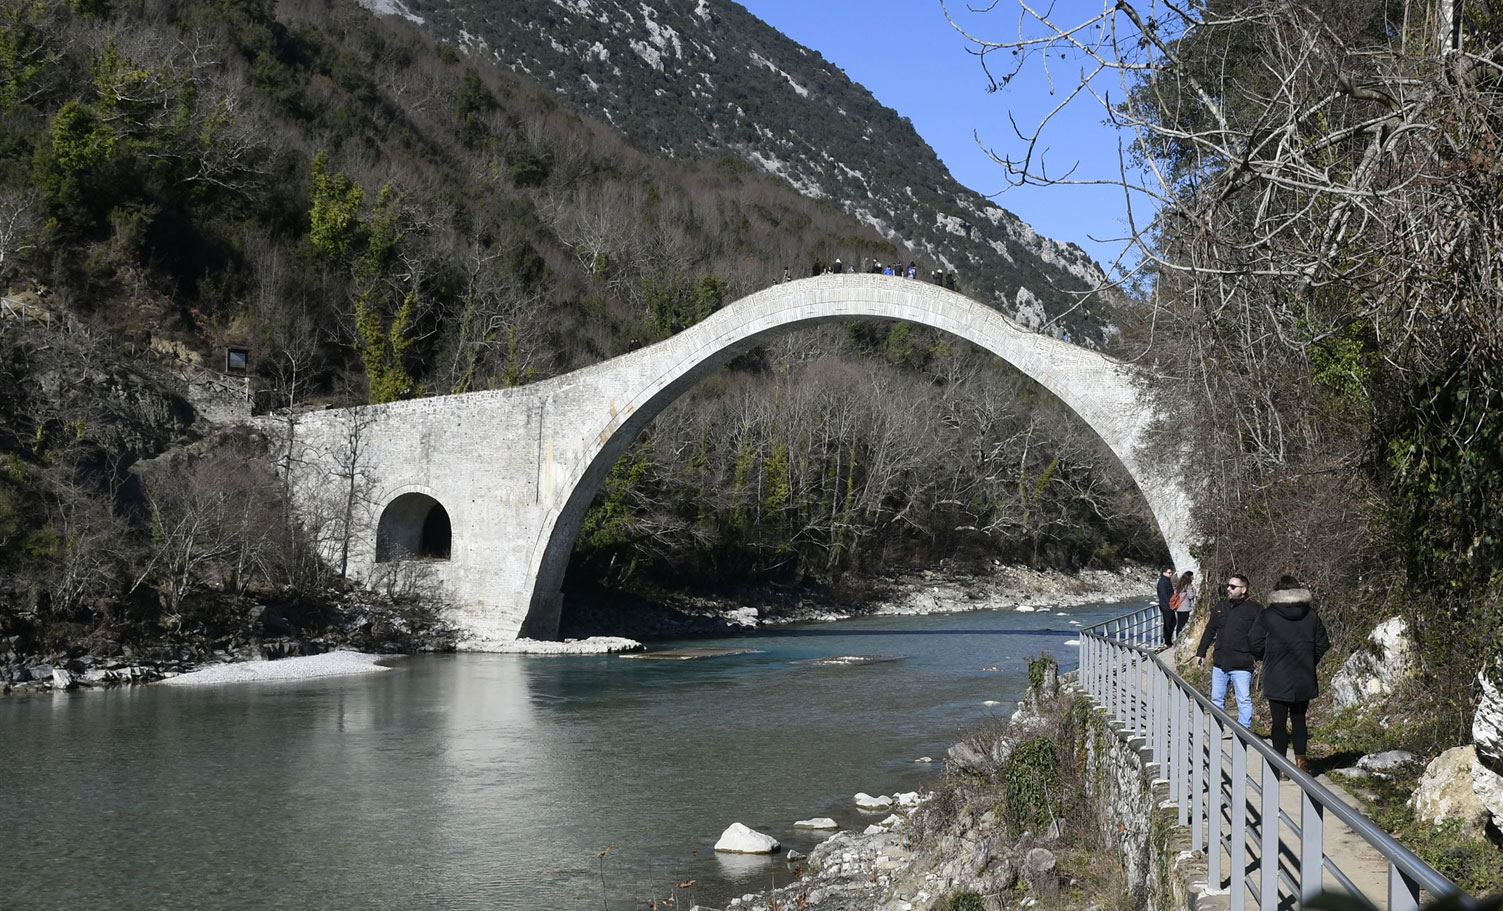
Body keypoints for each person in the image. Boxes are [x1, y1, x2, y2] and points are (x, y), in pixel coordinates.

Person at [1248, 575, 1329, 773]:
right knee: (1300, 720)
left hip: (1276, 676)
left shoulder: (1267, 615)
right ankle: (1301, 764)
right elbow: (1323, 644)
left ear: (1277, 593)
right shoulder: (1311, 615)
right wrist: (1311, 660)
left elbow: (1253, 642)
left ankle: (1280, 767)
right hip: (1303, 675)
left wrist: (1266, 658)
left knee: (1278, 723)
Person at [1195, 574, 1263, 727]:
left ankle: (1244, 732)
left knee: (1244, 700)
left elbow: (1263, 636)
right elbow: (1209, 630)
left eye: (1233, 587)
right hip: (1220, 662)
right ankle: (1217, 730)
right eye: (1228, 585)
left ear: (1243, 589)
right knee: (1216, 699)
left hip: (1242, 664)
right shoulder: (1221, 607)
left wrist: (1257, 656)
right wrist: (1201, 652)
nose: (1228, 589)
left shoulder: (1256, 609)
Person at [1171, 570, 1196, 644]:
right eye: (1192, 577)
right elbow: (1190, 596)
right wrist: (1194, 590)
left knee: (1179, 624)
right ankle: (1181, 640)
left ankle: (1178, 639)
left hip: (1179, 608)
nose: (1193, 578)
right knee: (1184, 624)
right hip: (1185, 608)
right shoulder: (1188, 586)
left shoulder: (1179, 585)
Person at [1157, 566, 1176, 646]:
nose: (1170, 574)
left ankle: (1168, 639)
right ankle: (1167, 641)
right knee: (1168, 623)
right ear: (1164, 573)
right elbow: (1164, 595)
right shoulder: (1162, 582)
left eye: (1171, 573)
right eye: (1169, 573)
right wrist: (1169, 603)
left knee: (1173, 622)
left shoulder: (1166, 581)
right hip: (1166, 606)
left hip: (1168, 605)